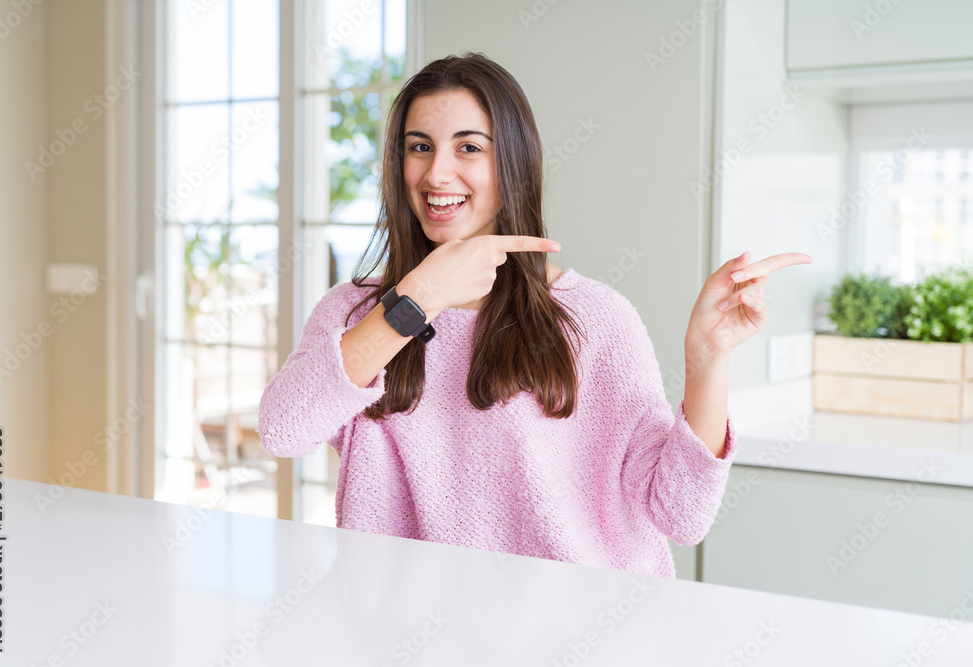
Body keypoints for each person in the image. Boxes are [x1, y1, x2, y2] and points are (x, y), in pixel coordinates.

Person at [257, 52, 812, 578]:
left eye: (469, 148)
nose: (436, 174)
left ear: (513, 163)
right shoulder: (357, 313)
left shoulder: (592, 319)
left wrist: (707, 360)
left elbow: (681, 516)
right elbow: (284, 431)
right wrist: (416, 300)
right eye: (419, 147)